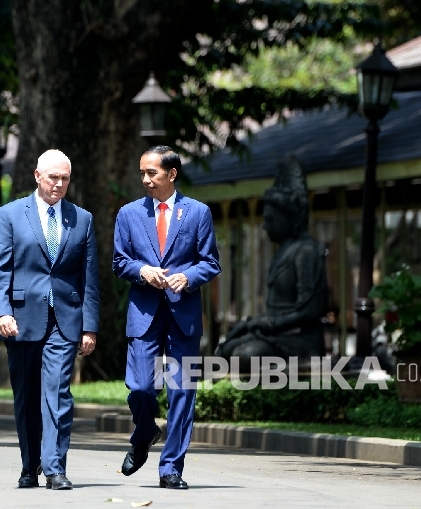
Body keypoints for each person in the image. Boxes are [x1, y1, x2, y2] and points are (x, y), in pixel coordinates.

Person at [0, 149, 99, 491]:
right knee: (26, 396)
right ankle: (29, 464)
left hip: (65, 320)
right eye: (54, 177)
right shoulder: (10, 215)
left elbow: (89, 278)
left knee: (58, 393)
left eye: (65, 178)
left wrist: (89, 326)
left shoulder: (82, 219)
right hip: (20, 319)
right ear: (37, 176)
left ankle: (55, 468)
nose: (60, 184)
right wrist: (2, 311)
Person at [113, 145, 221, 490]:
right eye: (142, 173)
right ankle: (144, 433)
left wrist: (188, 277)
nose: (145, 179)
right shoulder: (129, 214)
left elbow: (210, 262)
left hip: (183, 314)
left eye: (152, 173)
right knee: (141, 387)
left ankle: (171, 467)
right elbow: (119, 262)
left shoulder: (197, 212)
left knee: (181, 392)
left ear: (171, 174)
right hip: (144, 313)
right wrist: (143, 270)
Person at [216, 156, 327, 367]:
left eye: (270, 219)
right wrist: (250, 324)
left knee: (245, 355)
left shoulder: (306, 250)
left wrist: (271, 323)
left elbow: (313, 309)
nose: (265, 227)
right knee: (226, 350)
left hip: (301, 339)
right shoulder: (283, 253)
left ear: (289, 217)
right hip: (276, 334)